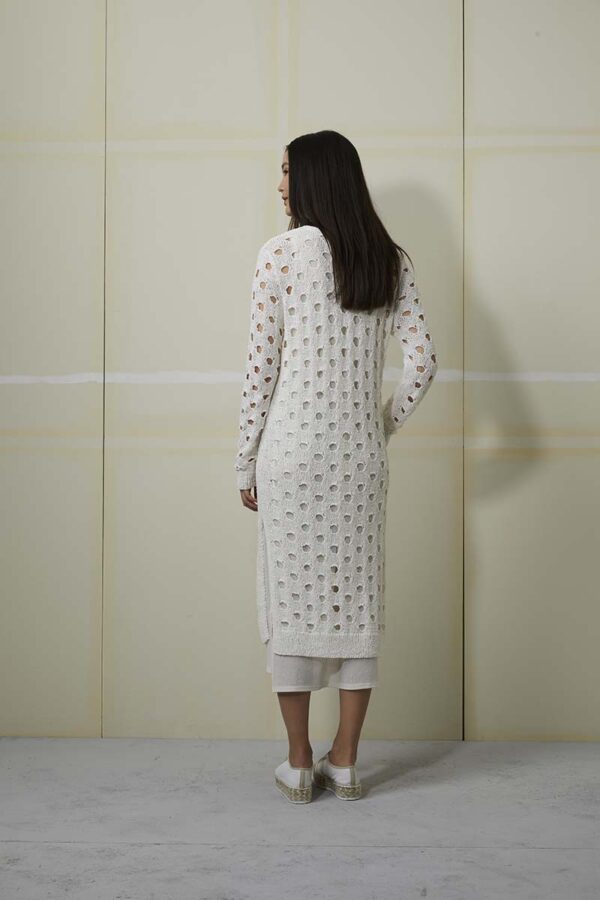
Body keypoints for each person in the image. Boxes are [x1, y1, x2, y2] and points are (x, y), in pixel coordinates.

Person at [235, 130, 438, 803]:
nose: (280, 185)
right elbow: (423, 363)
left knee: (292, 598)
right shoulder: (388, 260)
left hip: (290, 456)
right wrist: (379, 424)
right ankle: (346, 761)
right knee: (357, 601)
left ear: (316, 179)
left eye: (287, 171)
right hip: (360, 462)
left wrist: (244, 460)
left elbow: (260, 370)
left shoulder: (280, 255)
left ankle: (299, 763)